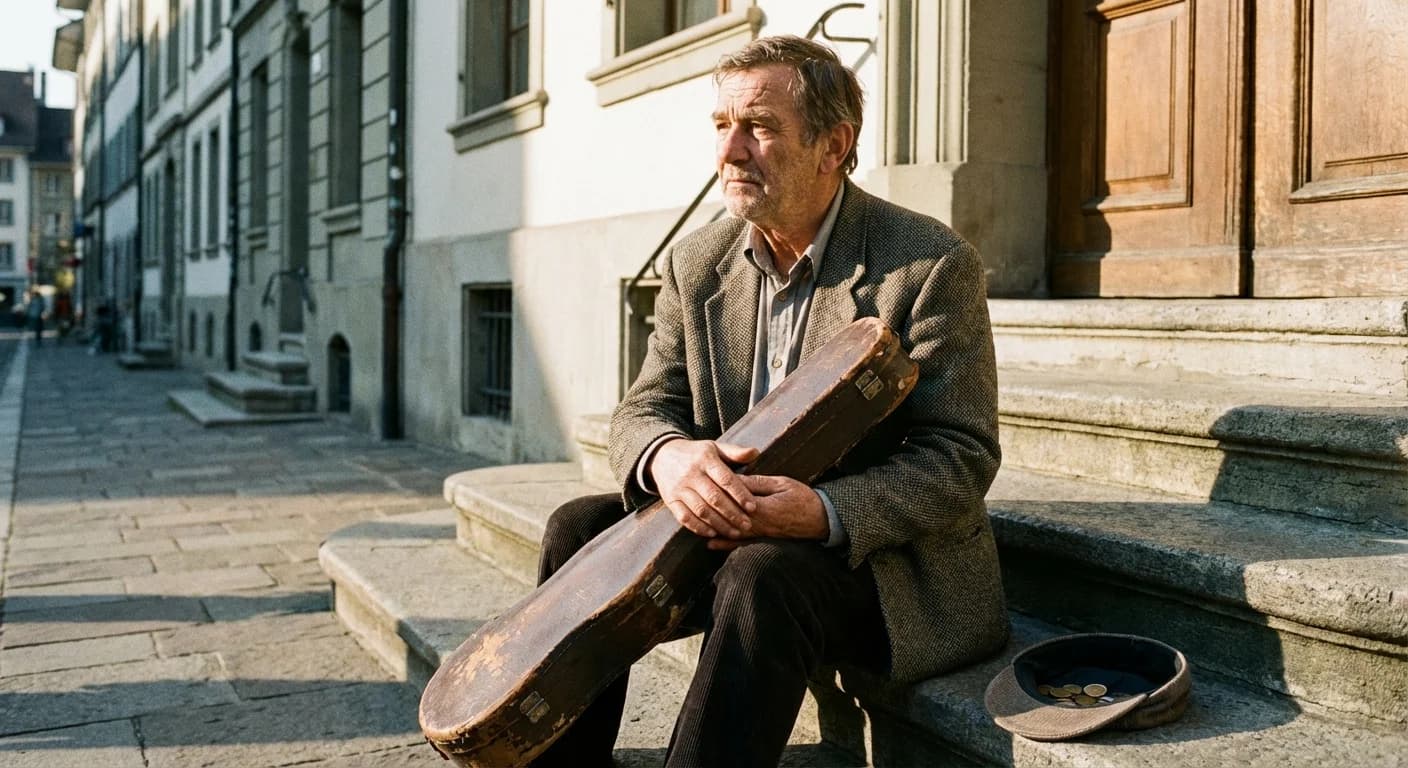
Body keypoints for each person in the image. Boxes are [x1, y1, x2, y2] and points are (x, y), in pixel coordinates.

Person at [534, 35, 1006, 768]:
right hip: (723, 529)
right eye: (721, 126)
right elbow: (642, 408)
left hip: (873, 563)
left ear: (833, 144)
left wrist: (822, 514)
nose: (729, 152)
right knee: (576, 530)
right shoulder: (698, 261)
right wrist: (670, 458)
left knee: (763, 572)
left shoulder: (928, 264)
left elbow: (961, 457)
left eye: (757, 127)